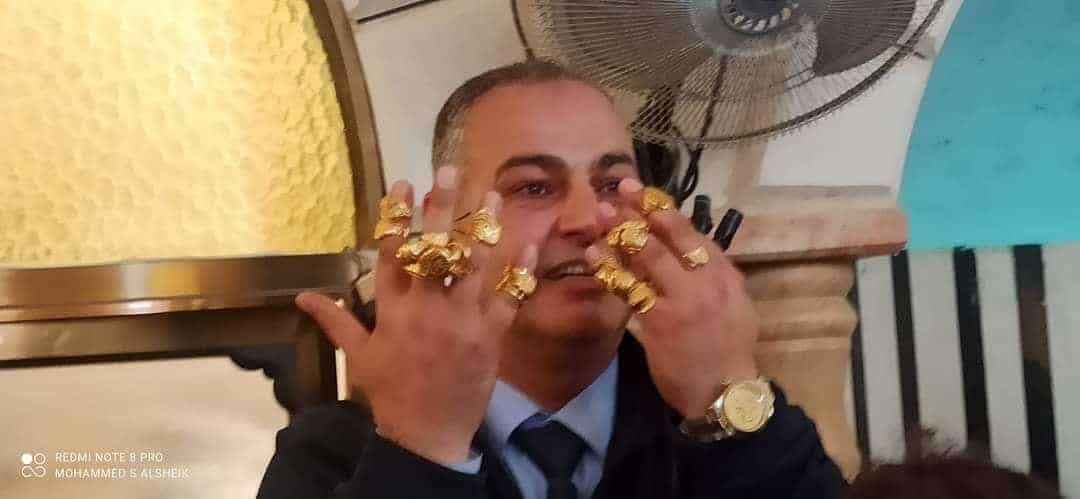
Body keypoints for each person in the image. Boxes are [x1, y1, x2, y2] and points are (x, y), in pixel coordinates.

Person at [257, 59, 844, 499]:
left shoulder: (714, 417)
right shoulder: (336, 453)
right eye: (534, 188)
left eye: (612, 184)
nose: (588, 220)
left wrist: (729, 412)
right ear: (447, 222)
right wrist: (422, 450)